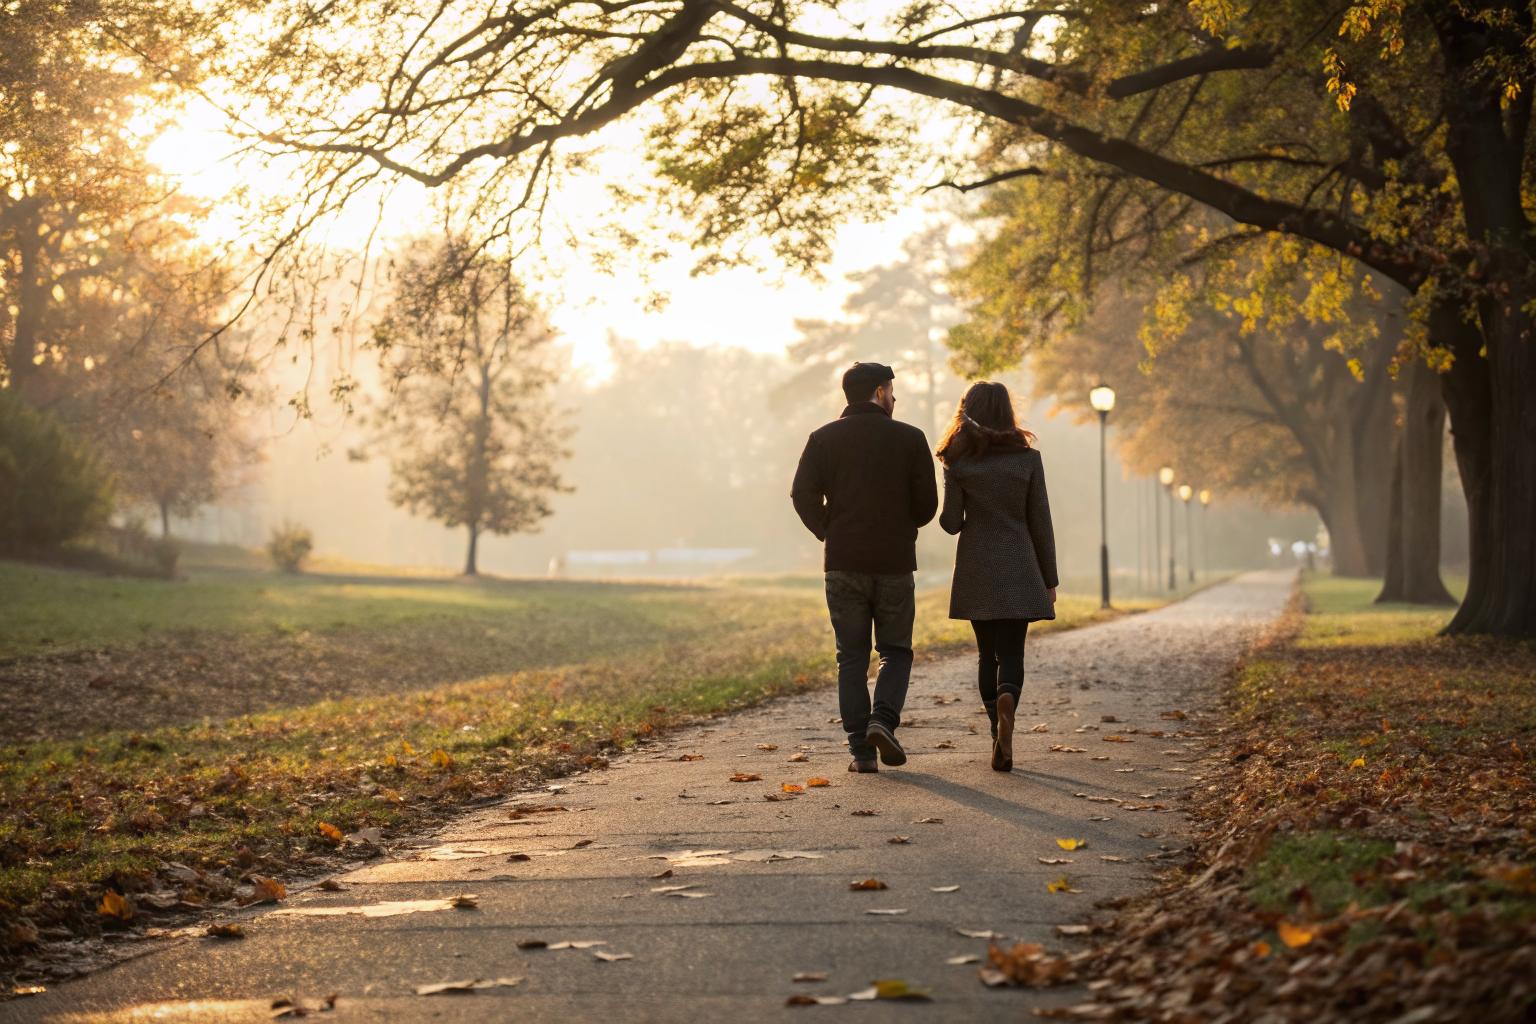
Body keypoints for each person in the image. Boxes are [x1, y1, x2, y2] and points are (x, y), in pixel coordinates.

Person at [791, 362, 938, 772]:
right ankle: (883, 720)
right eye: (892, 390)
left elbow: (801, 493)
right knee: (895, 651)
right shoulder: (910, 438)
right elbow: (927, 506)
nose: (895, 398)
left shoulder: (822, 439)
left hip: (843, 563)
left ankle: (861, 753)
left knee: (851, 657)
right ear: (879, 391)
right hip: (893, 562)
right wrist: (901, 525)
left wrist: (830, 531)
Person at [937, 381, 1057, 773]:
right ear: (1007, 413)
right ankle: (1008, 700)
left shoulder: (958, 463)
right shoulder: (1028, 460)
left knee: (985, 654)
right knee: (1012, 653)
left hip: (976, 568)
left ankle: (996, 732)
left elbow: (952, 524)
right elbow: (1041, 523)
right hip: (1021, 565)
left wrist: (951, 480)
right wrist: (1049, 579)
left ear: (966, 412)